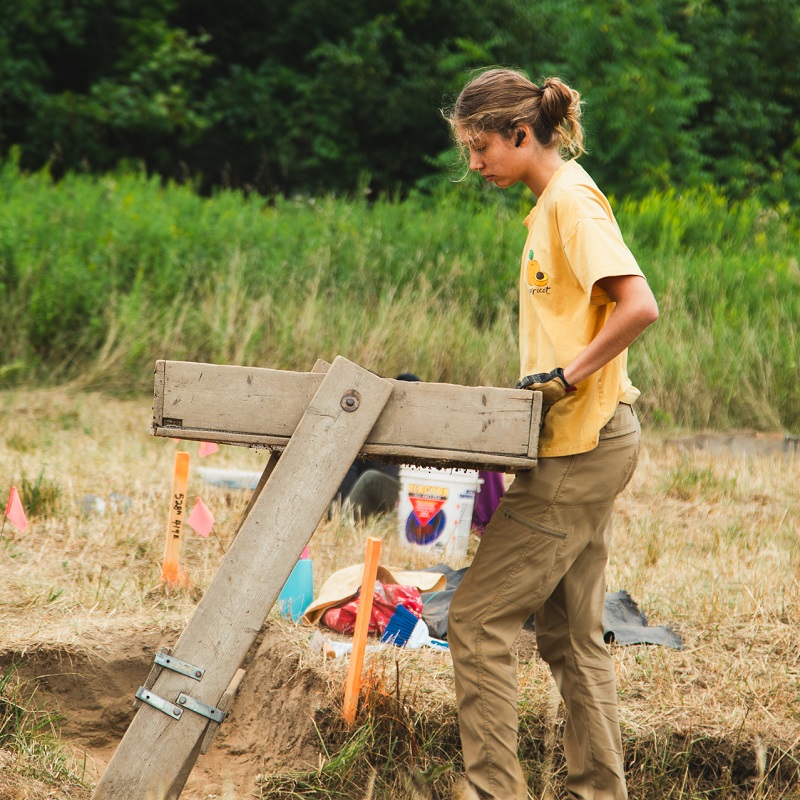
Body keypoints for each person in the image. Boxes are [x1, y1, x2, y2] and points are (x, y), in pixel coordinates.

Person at [443, 68, 659, 800]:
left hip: (583, 443)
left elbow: (639, 305)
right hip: (585, 438)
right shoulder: (547, 207)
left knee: (476, 621)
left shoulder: (571, 202)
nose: (475, 165)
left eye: (480, 148)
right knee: (570, 637)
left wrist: (568, 375)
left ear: (521, 134)